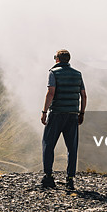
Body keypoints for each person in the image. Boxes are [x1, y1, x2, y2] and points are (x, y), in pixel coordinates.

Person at [40, 49, 87, 190]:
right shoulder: (78, 74)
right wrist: (82, 113)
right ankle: (70, 179)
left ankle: (48, 177)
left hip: (56, 114)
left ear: (57, 59)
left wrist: (44, 111)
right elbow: (84, 96)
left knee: (48, 144)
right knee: (72, 148)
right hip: (72, 115)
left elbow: (51, 92)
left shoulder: (53, 73)